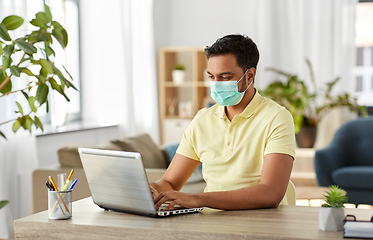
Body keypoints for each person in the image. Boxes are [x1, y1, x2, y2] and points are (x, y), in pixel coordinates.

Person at [150, 34, 295, 211]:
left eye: (225, 77)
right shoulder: (202, 120)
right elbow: (170, 182)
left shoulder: (277, 117)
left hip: (261, 222)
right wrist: (152, 189)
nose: (216, 84)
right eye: (212, 77)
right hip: (211, 222)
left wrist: (198, 199)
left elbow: (270, 193)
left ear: (249, 76)